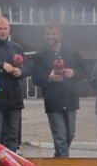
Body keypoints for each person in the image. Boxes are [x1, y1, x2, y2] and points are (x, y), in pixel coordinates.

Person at [30, 24, 86, 157]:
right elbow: (36, 78)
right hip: (53, 100)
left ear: (60, 35)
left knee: (70, 134)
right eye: (48, 34)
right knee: (60, 136)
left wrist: (74, 73)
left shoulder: (71, 51)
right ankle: (64, 164)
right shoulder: (40, 55)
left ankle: (59, 157)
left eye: (53, 34)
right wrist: (48, 77)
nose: (50, 36)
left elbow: (83, 70)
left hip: (70, 99)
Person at [0, 15, 27, 152]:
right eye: (0, 28)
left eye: (5, 28)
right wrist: (1, 66)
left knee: (13, 137)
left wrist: (20, 71)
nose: (3, 31)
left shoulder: (16, 47)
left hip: (14, 98)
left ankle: (11, 164)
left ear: (9, 29)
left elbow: (28, 67)